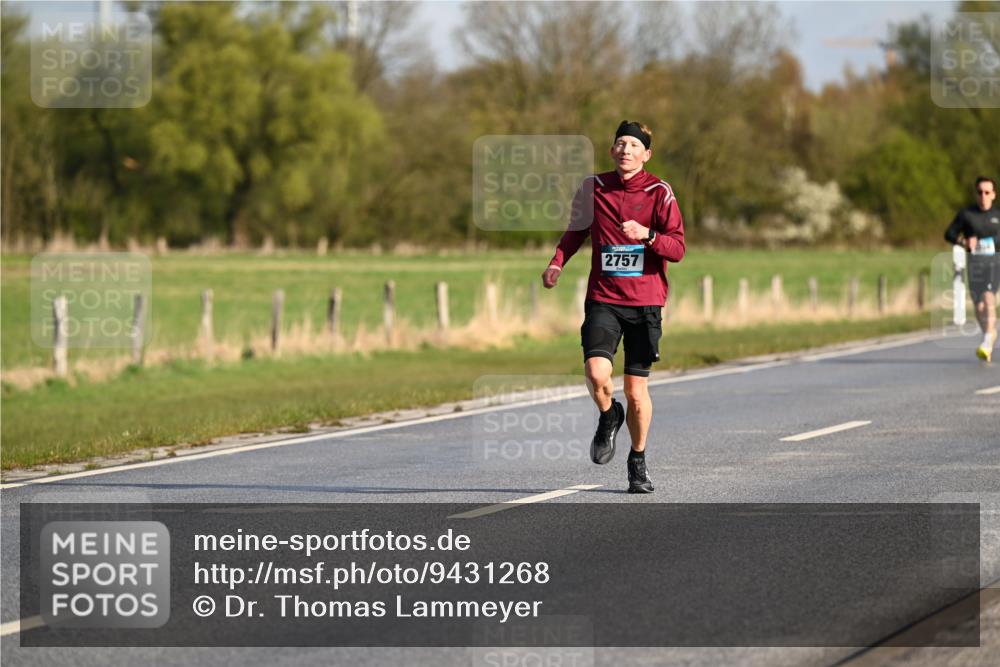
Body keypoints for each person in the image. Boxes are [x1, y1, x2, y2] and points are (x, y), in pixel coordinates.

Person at [541, 120, 685, 493]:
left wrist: (649, 235)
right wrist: (558, 262)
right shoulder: (594, 188)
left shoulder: (659, 192)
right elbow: (575, 231)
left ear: (646, 154)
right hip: (604, 298)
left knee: (637, 392)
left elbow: (678, 248)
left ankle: (637, 460)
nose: (626, 150)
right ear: (611, 151)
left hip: (645, 303)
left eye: (634, 146)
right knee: (596, 373)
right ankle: (609, 416)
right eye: (620, 144)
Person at [944, 176, 999, 362]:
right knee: (979, 305)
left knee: (988, 296)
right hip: (974, 265)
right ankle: (989, 336)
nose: (983, 196)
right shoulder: (967, 215)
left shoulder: (998, 216)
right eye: (980, 192)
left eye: (987, 192)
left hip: (994, 264)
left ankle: (986, 340)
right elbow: (949, 233)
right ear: (976, 194)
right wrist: (963, 241)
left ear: (993, 194)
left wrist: (989, 243)